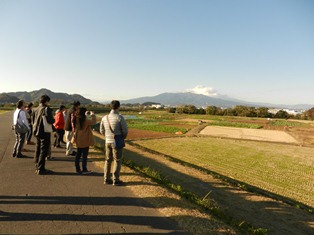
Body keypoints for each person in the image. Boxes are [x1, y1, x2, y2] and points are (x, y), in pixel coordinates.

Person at [100, 100, 128, 186]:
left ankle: (106, 179)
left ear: (110, 107)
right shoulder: (120, 117)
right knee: (117, 160)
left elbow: (101, 130)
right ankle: (116, 180)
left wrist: (107, 136)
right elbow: (125, 131)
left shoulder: (104, 117)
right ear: (118, 107)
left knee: (108, 160)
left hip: (107, 141)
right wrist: (122, 137)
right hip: (117, 141)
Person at [32, 95, 55, 175]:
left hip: (36, 131)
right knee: (44, 151)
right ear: (46, 101)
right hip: (44, 132)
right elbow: (50, 120)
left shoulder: (35, 109)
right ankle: (41, 169)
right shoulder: (46, 109)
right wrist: (53, 119)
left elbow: (33, 120)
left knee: (38, 149)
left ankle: (37, 166)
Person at [72, 107, 96, 174]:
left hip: (78, 137)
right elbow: (93, 122)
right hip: (85, 138)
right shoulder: (85, 119)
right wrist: (92, 114)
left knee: (78, 154)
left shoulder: (75, 118)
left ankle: (77, 169)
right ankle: (84, 169)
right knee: (84, 155)